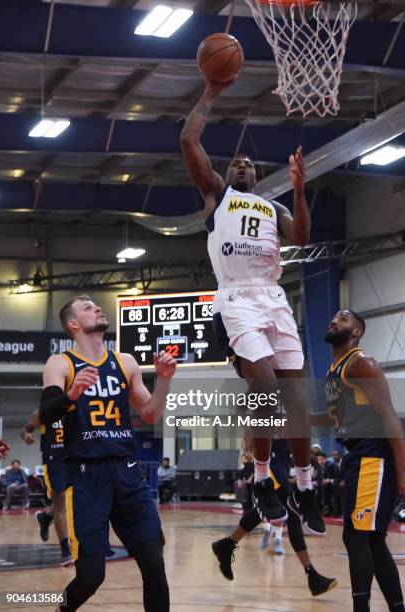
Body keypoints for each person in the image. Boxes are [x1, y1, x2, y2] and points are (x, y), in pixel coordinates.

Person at [180, 80, 325, 536]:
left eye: (248, 163)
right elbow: (188, 140)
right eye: (235, 163)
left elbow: (301, 238)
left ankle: (303, 487)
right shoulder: (217, 196)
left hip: (273, 297)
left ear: (257, 176)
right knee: (262, 380)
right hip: (237, 295)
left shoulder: (271, 207)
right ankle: (261, 478)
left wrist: (300, 189)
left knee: (296, 397)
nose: (241, 165)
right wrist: (210, 91)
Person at [38, 295, 176, 612]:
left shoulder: (125, 362)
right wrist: (71, 394)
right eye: (87, 307)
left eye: (96, 306)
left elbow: (151, 414)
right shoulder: (60, 363)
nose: (97, 308)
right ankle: (62, 608)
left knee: (155, 566)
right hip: (87, 478)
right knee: (91, 577)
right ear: (73, 324)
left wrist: (165, 382)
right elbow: (47, 413)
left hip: (128, 473)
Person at [311, 309, 405, 612]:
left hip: (373, 453)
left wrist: (403, 472)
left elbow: (390, 416)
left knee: (356, 536)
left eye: (343, 318)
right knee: (372, 540)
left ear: (356, 333)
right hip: (358, 454)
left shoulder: (362, 364)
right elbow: (334, 418)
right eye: (334, 316)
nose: (334, 320)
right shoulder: (335, 370)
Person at [212, 438, 337, 597]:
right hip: (270, 461)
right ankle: (312, 575)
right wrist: (249, 438)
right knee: (290, 513)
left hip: (282, 457)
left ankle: (226, 545)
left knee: (262, 512)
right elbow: (257, 419)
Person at [21, 410, 72, 566]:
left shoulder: (78, 407)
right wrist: (26, 436)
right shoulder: (44, 411)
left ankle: (46, 517)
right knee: (61, 502)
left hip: (75, 457)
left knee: (74, 501)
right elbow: (25, 429)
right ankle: (65, 549)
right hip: (54, 460)